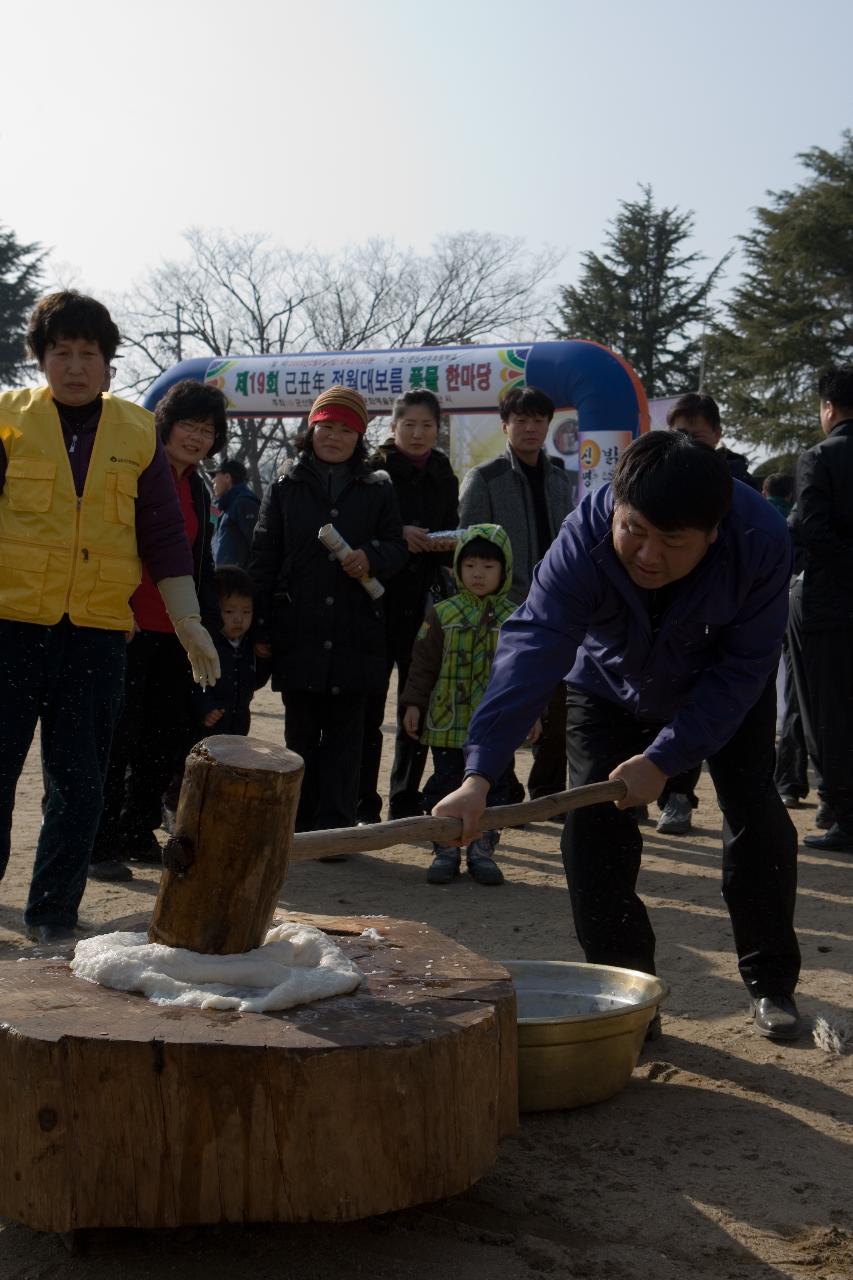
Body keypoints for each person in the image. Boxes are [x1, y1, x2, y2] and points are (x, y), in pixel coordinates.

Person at [435, 430, 802, 1041]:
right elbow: (535, 641)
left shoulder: (761, 540)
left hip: (719, 684)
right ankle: (630, 997)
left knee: (756, 817)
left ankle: (771, 983)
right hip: (609, 681)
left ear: (713, 534)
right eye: (634, 531)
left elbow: (744, 670)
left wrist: (667, 757)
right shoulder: (585, 533)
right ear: (616, 506)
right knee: (593, 837)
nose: (648, 556)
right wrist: (480, 775)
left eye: (672, 542)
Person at [0, 292, 219, 944]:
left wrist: (187, 621)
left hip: (96, 636)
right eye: (60, 352)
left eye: (87, 354)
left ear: (108, 363)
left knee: (80, 785)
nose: (74, 366)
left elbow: (162, 535)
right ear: (40, 359)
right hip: (11, 627)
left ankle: (53, 918)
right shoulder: (7, 420)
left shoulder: (135, 432)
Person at [250, 386, 407, 835]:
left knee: (346, 736)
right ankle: (298, 823)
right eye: (326, 427)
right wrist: (261, 623)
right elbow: (264, 556)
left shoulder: (377, 487)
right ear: (310, 428)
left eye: (345, 429)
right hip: (298, 628)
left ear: (360, 437)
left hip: (356, 632)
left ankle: (336, 826)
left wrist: (371, 556)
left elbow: (398, 547)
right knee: (299, 733)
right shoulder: (285, 485)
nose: (334, 437)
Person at [89, 380, 227, 882]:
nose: (196, 437)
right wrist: (113, 605)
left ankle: (135, 830)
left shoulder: (198, 485)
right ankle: (98, 841)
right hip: (122, 624)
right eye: (188, 425)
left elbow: (199, 565)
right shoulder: (134, 471)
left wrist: (204, 626)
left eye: (207, 430)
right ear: (165, 424)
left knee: (164, 736)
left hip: (176, 629)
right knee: (115, 738)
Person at [401, 523, 537, 885]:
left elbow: (527, 674)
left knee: (496, 790)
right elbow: (422, 666)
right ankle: (446, 850)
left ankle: (482, 852)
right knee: (443, 786)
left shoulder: (515, 617)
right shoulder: (442, 614)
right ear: (458, 567)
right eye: (471, 566)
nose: (478, 574)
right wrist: (413, 703)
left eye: (488, 567)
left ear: (504, 570)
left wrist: (533, 714)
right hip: (447, 724)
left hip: (497, 730)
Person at [459, 385, 575, 803]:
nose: (529, 428)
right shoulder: (485, 478)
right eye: (520, 420)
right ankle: (501, 787)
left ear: (547, 425)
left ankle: (547, 792)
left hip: (558, 606)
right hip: (503, 609)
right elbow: (468, 548)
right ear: (505, 425)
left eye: (537, 420)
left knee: (559, 703)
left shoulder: (560, 479)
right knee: (504, 699)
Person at [655, 392, 764, 837]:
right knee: (675, 707)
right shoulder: (659, 479)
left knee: (729, 713)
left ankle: (739, 807)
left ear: (717, 436)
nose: (688, 442)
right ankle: (676, 796)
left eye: (696, 434)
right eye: (679, 433)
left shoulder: (741, 484)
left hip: (731, 619)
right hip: (676, 616)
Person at [357, 389, 459, 823]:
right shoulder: (373, 472)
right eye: (409, 425)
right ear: (393, 427)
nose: (418, 434)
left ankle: (404, 797)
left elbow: (452, 531)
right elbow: (359, 529)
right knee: (368, 707)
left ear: (438, 429)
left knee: (415, 703)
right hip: (376, 603)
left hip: (424, 604)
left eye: (427, 426)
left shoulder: (444, 472)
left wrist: (441, 540)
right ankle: (364, 801)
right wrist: (401, 534)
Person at [788, 366, 853, 853]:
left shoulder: (820, 457)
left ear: (828, 408)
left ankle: (843, 813)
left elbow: (810, 528)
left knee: (830, 711)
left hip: (832, 605)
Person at [191, 565, 270, 736]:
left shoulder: (248, 645)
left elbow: (255, 682)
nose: (239, 619)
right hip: (210, 725)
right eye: (229, 611)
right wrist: (206, 707)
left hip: (239, 724)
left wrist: (263, 660)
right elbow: (196, 682)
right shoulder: (209, 644)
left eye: (246, 611)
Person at [212, 458, 261, 568]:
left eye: (215, 476)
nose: (213, 480)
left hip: (239, 580)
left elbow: (258, 545)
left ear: (227, 477)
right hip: (222, 579)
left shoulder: (245, 502)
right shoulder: (222, 506)